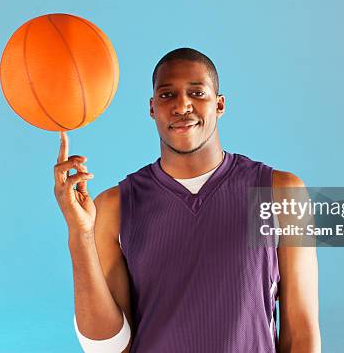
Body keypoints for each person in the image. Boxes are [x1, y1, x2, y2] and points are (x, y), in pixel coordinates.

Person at [53, 48, 321, 352]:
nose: (182, 105)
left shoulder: (281, 192)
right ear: (152, 108)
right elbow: (110, 348)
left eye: (197, 92)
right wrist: (80, 235)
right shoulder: (114, 207)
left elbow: (302, 333)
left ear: (220, 104)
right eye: (167, 96)